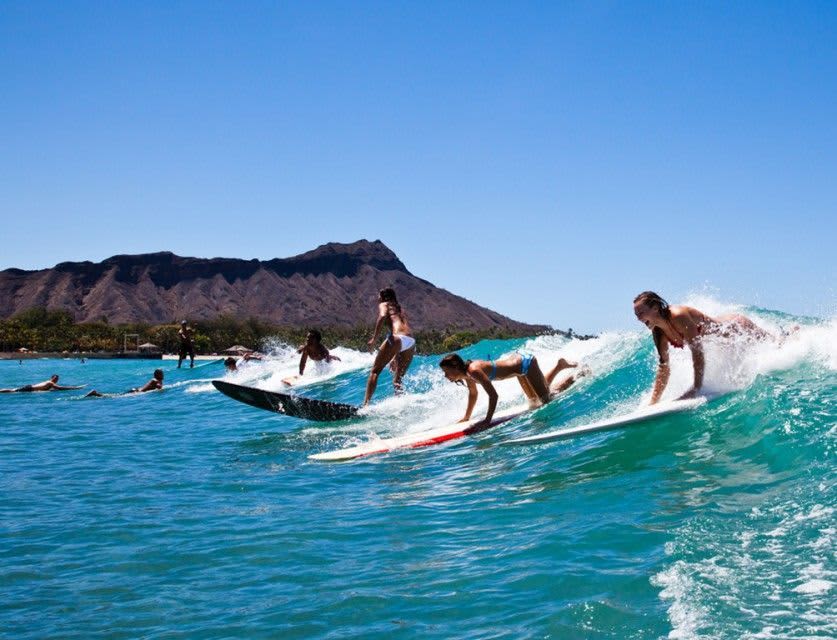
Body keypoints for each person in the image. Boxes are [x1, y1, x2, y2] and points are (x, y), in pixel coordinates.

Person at [633, 291, 773, 404]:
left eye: (641, 313)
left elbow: (697, 352)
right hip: (726, 343)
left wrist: (696, 388)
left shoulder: (678, 316)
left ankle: (792, 334)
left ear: (655, 308)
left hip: (736, 328)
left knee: (774, 344)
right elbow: (664, 366)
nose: (638, 318)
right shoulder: (658, 332)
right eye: (636, 314)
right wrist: (653, 401)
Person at [439, 353, 580, 429]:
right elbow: (473, 394)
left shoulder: (474, 370)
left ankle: (577, 375)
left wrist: (487, 421)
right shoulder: (468, 375)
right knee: (535, 401)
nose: (446, 376)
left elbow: (493, 395)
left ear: (455, 366)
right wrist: (467, 417)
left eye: (447, 372)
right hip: (518, 371)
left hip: (525, 363)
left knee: (546, 400)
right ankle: (559, 366)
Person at [363, 288, 416, 405]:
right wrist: (394, 357)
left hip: (398, 339)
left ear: (382, 297)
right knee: (398, 379)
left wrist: (374, 339)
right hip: (411, 341)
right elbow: (401, 335)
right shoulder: (400, 308)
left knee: (375, 372)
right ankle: (401, 403)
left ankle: (365, 405)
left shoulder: (384, 304)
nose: (378, 298)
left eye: (378, 296)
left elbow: (382, 316)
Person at [85, 369, 164, 397]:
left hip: (136, 390)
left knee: (116, 395)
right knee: (114, 396)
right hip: (137, 392)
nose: (163, 375)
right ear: (159, 375)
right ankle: (96, 393)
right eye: (162, 373)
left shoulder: (153, 379)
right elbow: (159, 387)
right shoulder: (156, 380)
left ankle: (96, 394)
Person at [0, 374, 85, 393]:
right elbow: (60, 388)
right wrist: (76, 388)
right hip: (29, 388)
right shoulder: (50, 383)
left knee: (13, 390)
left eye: (57, 379)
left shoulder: (50, 383)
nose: (56, 380)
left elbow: (55, 389)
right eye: (55, 378)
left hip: (30, 388)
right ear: (52, 378)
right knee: (12, 391)